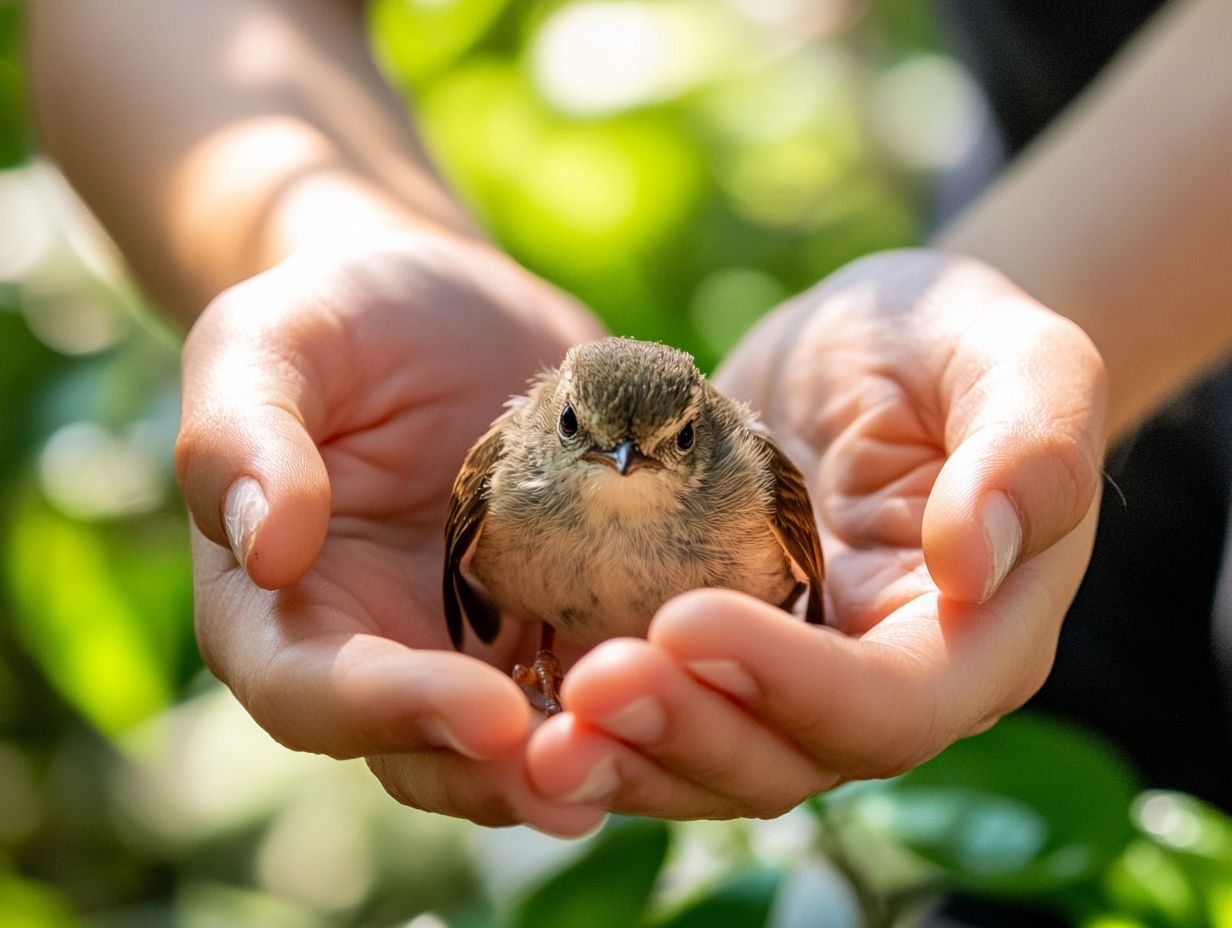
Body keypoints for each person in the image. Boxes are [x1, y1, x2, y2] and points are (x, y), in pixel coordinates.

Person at [27, 0, 1232, 848]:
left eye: (661, 447)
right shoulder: (497, 474)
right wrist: (341, 258)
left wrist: (1021, 303)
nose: (618, 462)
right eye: (594, 436)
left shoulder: (760, 484)